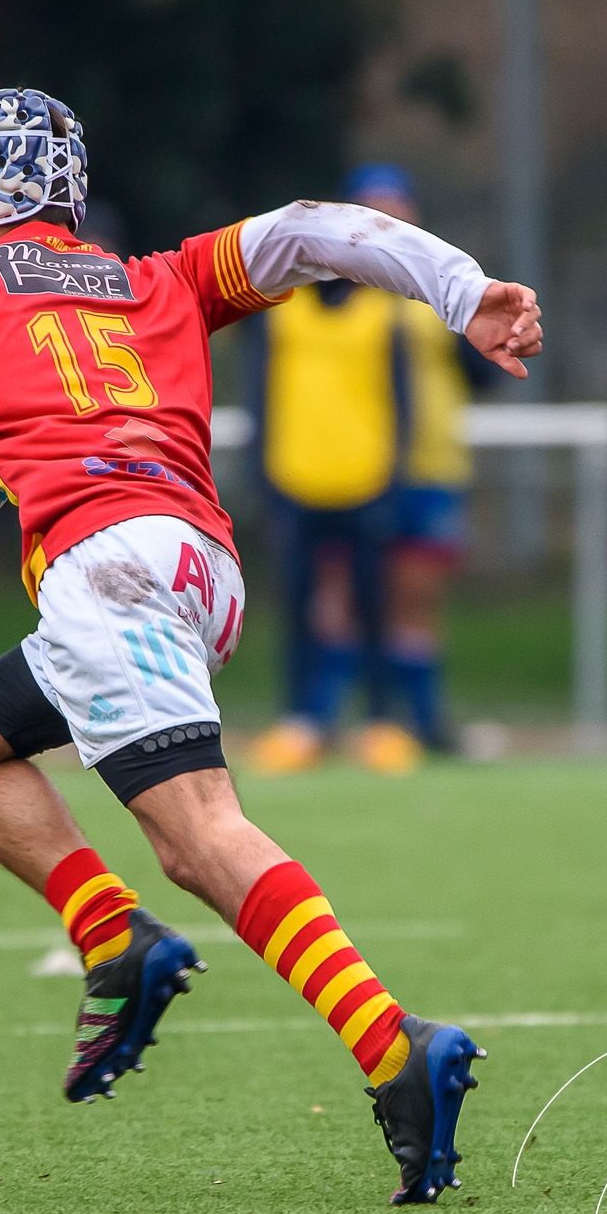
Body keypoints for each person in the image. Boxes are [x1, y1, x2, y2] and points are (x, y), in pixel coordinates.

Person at [0, 88, 541, 1203]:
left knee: (201, 838)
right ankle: (119, 942)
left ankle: (396, 1048)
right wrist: (461, 291)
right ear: (71, 187)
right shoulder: (154, 277)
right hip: (198, 568)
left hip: (105, 570)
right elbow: (312, 227)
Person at [240, 165, 428, 778]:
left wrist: (395, 476)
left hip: (366, 480)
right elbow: (259, 398)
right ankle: (300, 721)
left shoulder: (383, 314)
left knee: (376, 608)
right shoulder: (282, 309)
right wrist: (261, 476)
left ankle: (380, 722)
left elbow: (402, 403)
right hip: (295, 480)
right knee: (296, 609)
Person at [353, 165, 496, 752]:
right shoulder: (333, 295)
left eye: (395, 208)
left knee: (416, 597)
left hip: (428, 466)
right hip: (355, 469)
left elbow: (483, 374)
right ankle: (351, 722)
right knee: (346, 597)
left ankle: (422, 720)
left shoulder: (439, 290)